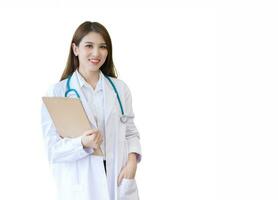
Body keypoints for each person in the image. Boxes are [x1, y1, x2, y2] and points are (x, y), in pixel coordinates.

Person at [41, 21, 142, 200]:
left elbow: (130, 132)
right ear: (75, 49)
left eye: (102, 47)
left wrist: (132, 162)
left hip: (118, 179)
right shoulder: (57, 93)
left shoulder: (120, 89)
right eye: (89, 45)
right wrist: (82, 144)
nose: (96, 53)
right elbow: (53, 150)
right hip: (81, 184)